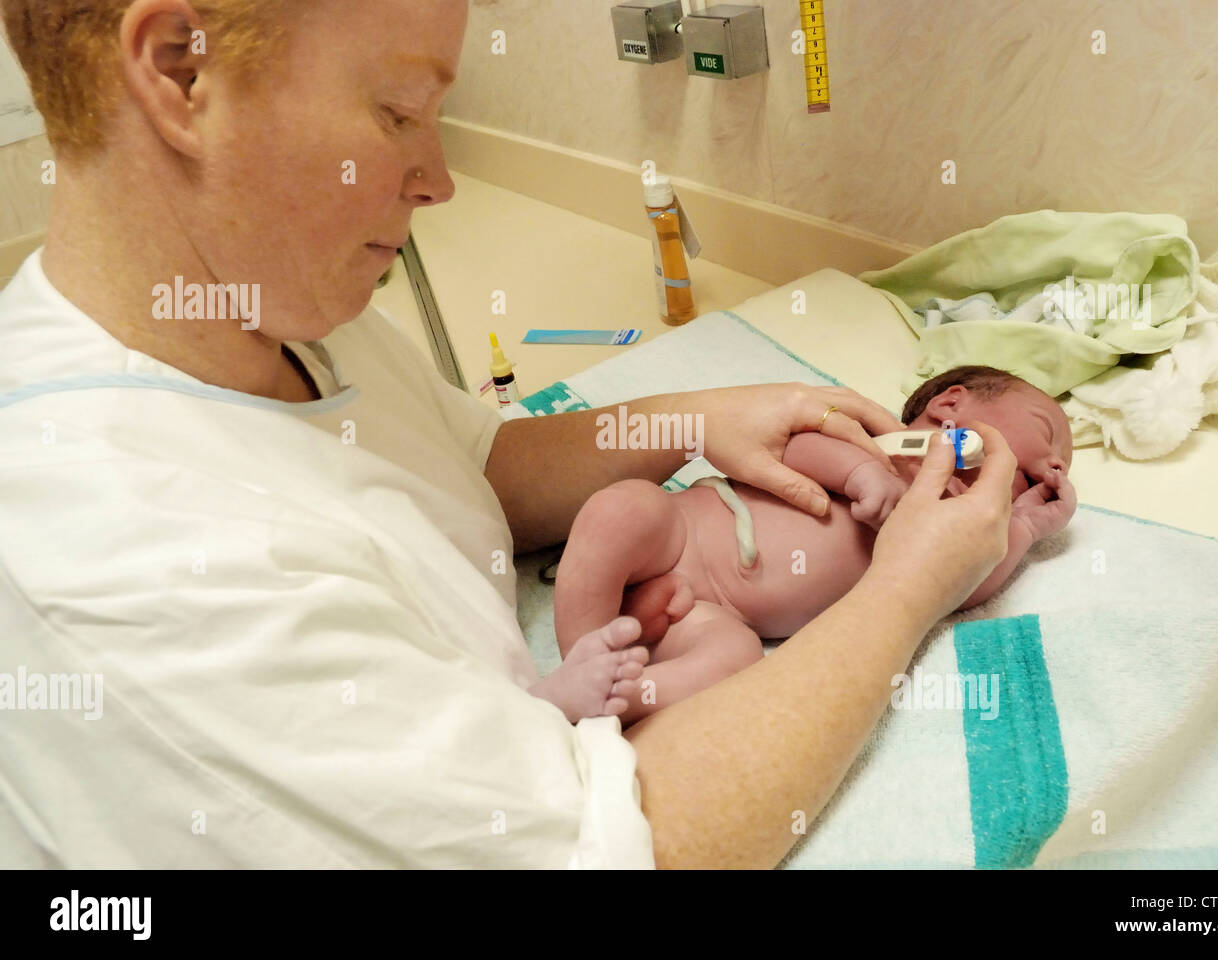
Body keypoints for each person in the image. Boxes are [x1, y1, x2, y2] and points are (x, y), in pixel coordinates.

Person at [0, 0, 1017, 870]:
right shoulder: (135, 573)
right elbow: (626, 842)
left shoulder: (271, 304)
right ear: (182, 68)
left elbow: (470, 462)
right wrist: (907, 589)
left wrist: (692, 420)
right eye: (399, 112)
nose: (437, 179)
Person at [546, 366, 1078, 726]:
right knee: (620, 511)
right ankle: (584, 653)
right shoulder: (880, 445)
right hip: (673, 535)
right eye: (1047, 432)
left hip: (715, 616)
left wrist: (1026, 528)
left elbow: (966, 580)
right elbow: (794, 448)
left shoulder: (960, 519)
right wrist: (861, 473)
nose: (1055, 463)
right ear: (950, 405)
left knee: (736, 660)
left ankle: (618, 696)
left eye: (1063, 465)